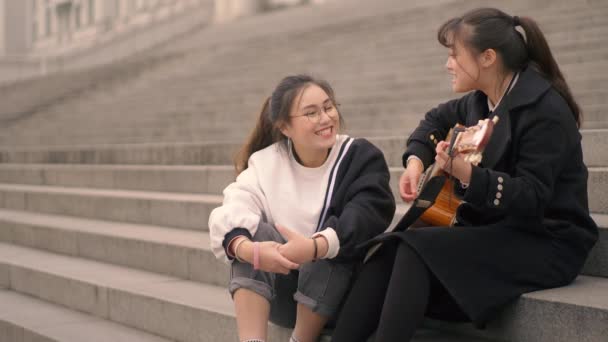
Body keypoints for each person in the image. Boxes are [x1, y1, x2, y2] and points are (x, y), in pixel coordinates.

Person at [331, 8, 599, 342]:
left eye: (454, 54)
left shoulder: (545, 110)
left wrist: (466, 173)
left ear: (488, 57)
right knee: (389, 249)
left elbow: (532, 197)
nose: (448, 64)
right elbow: (432, 121)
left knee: (415, 246)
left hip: (548, 240)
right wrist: (416, 161)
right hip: (498, 230)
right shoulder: (480, 101)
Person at [208, 74, 395, 342]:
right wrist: (251, 250)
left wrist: (314, 247)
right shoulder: (265, 162)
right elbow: (232, 208)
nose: (326, 118)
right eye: (311, 113)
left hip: (342, 298)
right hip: (283, 295)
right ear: (284, 127)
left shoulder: (359, 156)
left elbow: (368, 214)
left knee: (330, 238)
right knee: (253, 235)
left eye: (328, 107)